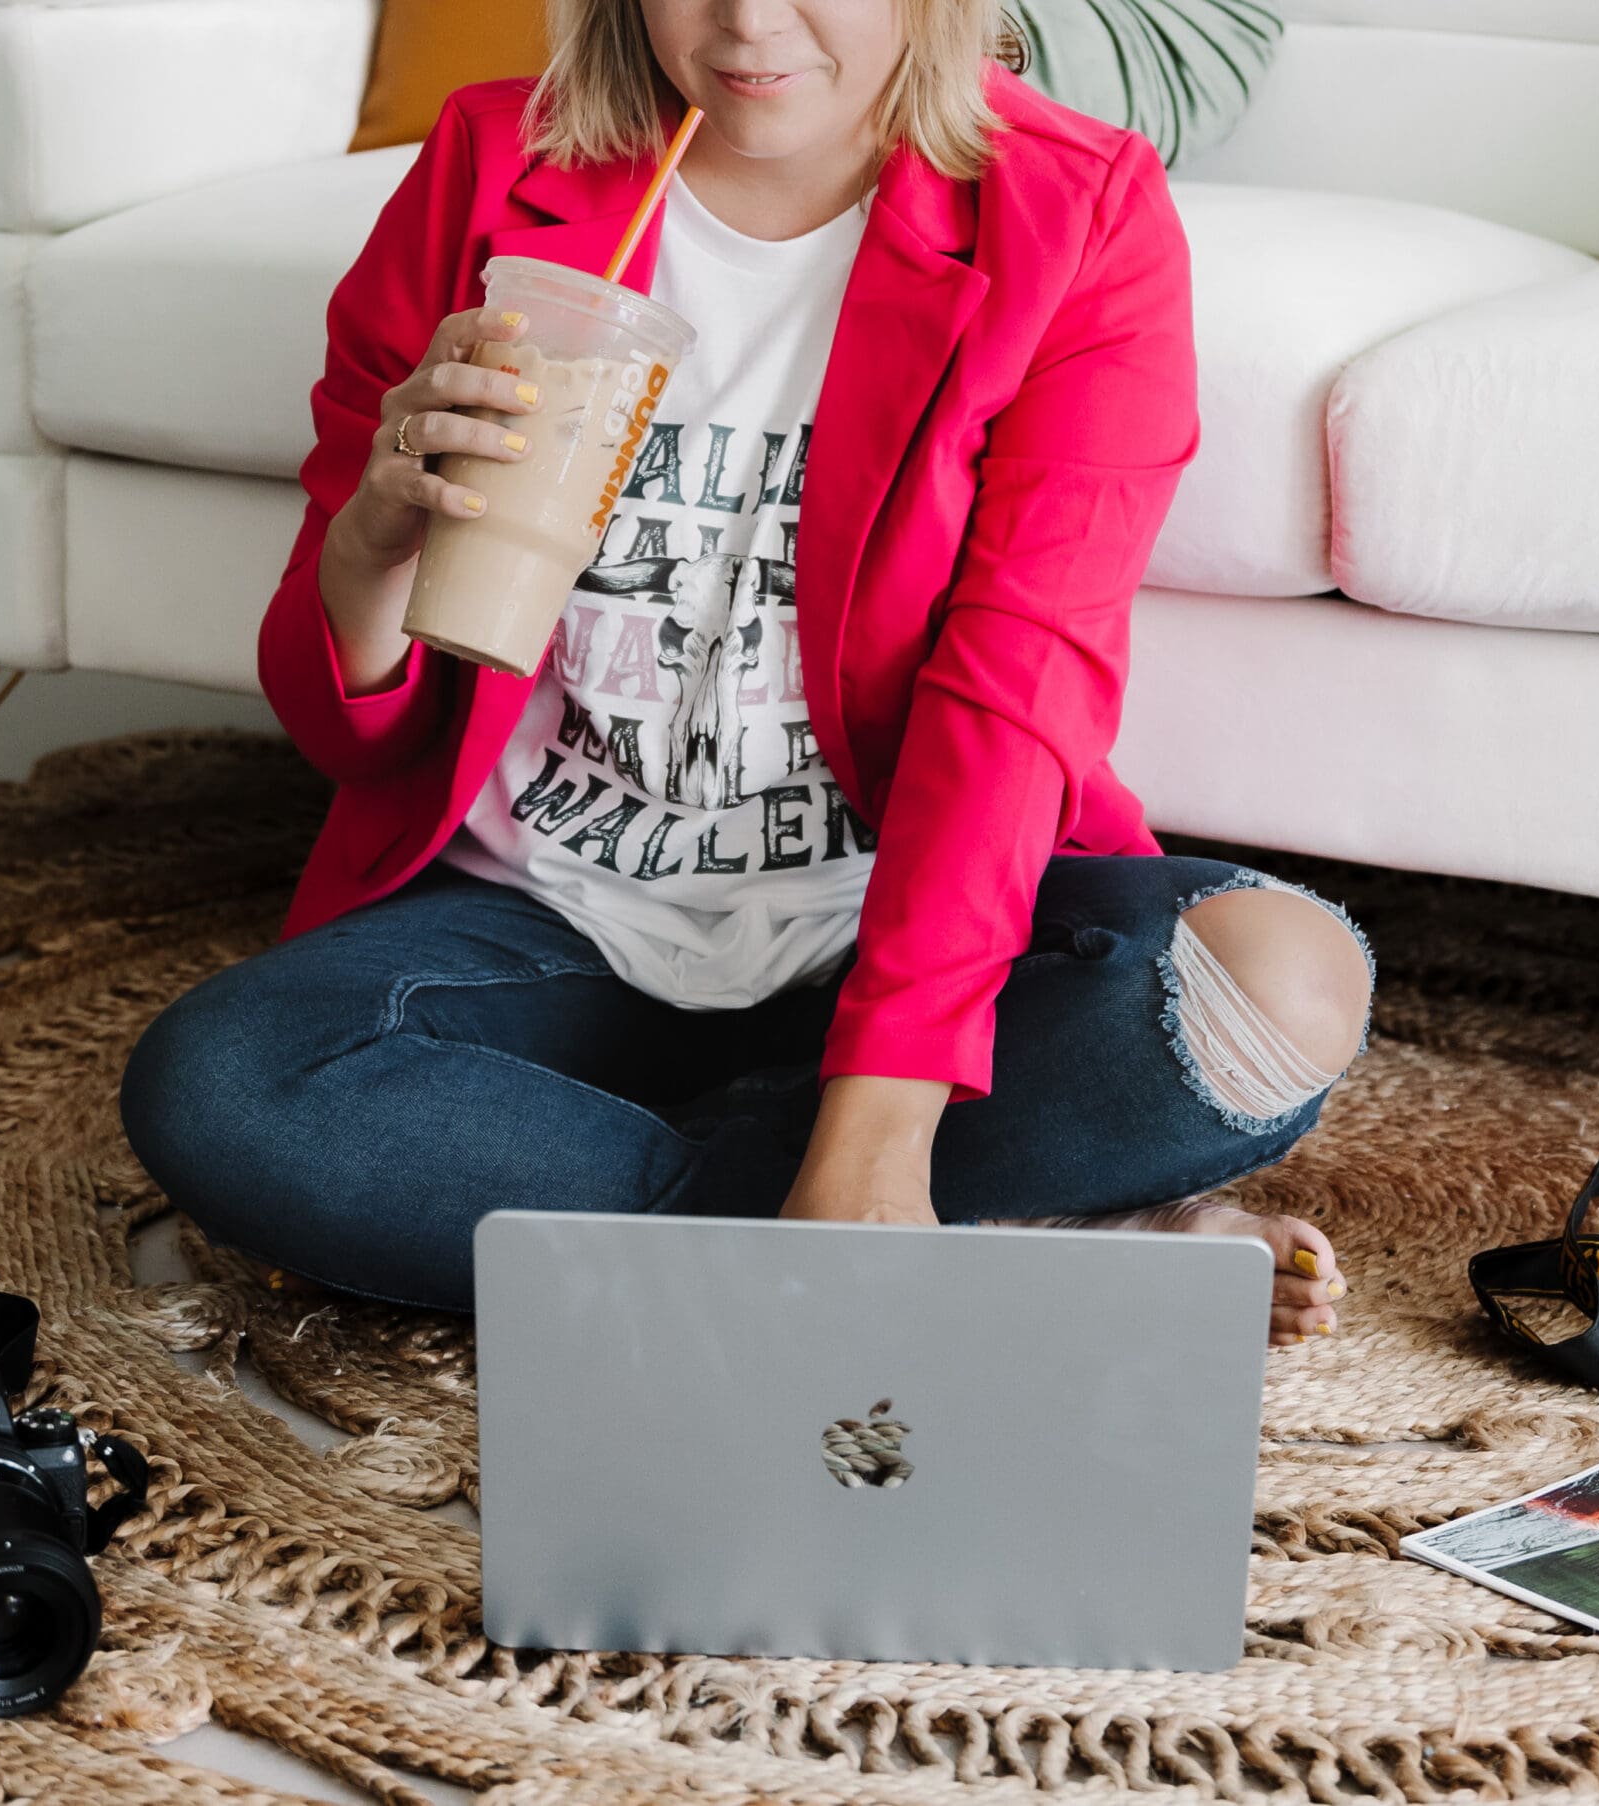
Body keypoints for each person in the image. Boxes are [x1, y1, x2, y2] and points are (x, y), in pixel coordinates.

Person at [119, 0, 1377, 1346]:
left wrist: (884, 1122)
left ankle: (734, 1193)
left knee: (1284, 982)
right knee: (221, 1083)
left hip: (890, 920)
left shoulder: (1075, 213)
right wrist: (375, 531)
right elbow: (350, 733)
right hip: (546, 925)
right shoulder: (493, 168)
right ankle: (1021, 1220)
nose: (747, 22)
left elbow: (1016, 696)